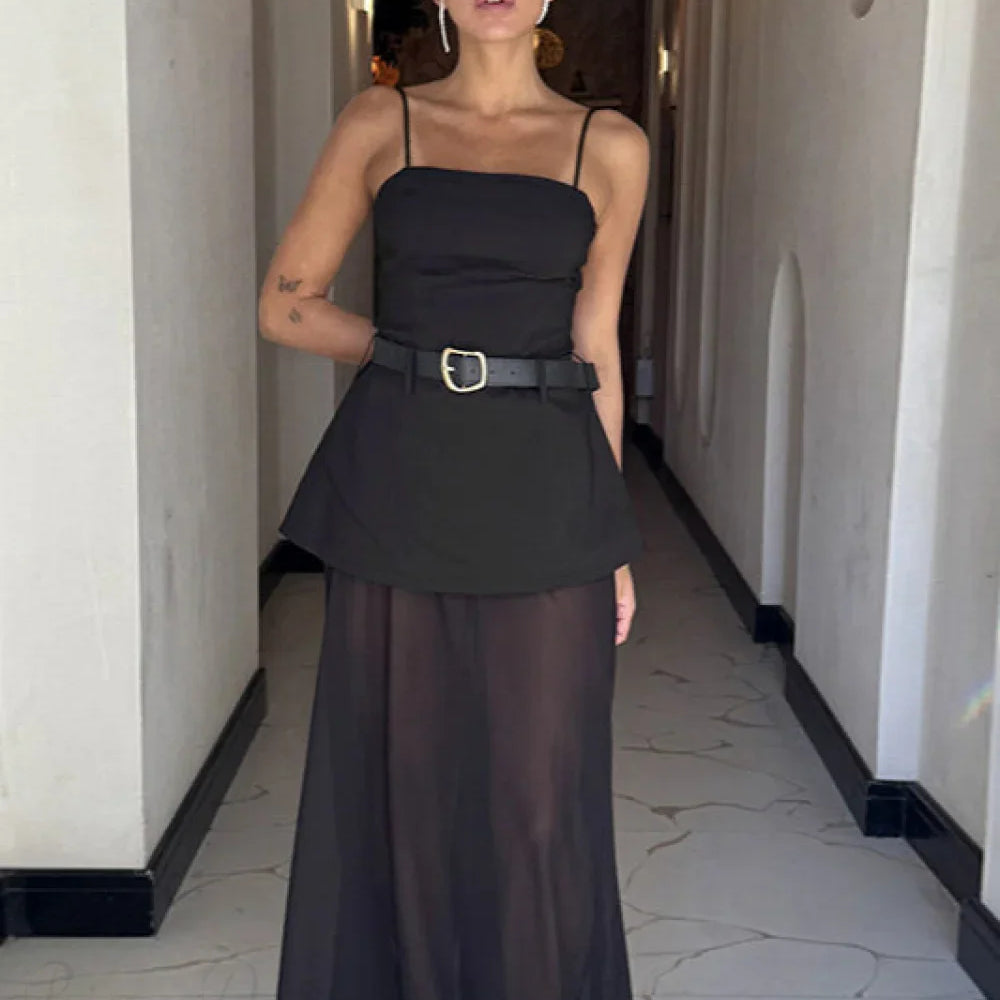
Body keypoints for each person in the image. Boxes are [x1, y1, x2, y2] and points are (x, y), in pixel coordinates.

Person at [258, 0, 649, 996]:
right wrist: (413, 356)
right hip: (402, 480)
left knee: (537, 795)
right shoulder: (377, 121)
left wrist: (611, 534)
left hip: (548, 487)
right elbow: (286, 306)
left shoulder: (609, 144)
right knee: (408, 790)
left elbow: (595, 344)